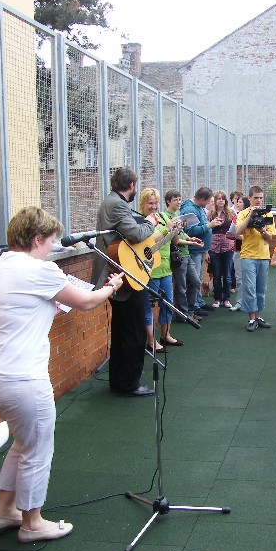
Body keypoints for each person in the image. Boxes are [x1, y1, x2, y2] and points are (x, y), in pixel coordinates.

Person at [0, 206, 124, 544]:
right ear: (36, 239)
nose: (52, 249)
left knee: (23, 441)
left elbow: (22, 308)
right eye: (51, 242)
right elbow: (86, 302)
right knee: (38, 446)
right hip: (21, 378)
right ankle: (33, 523)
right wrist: (112, 286)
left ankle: (4, 512)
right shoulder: (39, 270)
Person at [92, 168, 158, 397]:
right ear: (131, 185)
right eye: (135, 186)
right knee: (133, 333)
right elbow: (136, 234)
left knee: (122, 331)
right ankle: (129, 383)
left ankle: (119, 381)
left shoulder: (110, 202)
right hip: (122, 276)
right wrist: (150, 222)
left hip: (120, 273)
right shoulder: (118, 205)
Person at [137, 188, 183, 351]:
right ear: (143, 203)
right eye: (150, 203)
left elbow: (173, 241)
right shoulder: (141, 221)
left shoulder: (163, 217)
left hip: (165, 269)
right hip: (149, 271)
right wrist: (166, 229)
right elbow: (148, 243)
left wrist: (176, 230)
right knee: (148, 306)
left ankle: (166, 335)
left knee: (168, 304)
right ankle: (151, 341)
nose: (154, 206)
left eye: (156, 202)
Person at [235, 186, 276, 332]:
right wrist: (250, 215)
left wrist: (262, 230)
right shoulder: (243, 213)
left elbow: (271, 237)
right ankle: (251, 318)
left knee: (261, 288)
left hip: (263, 256)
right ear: (250, 198)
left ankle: (257, 316)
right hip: (248, 256)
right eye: (256, 198)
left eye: (260, 198)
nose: (258, 201)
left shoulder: (268, 214)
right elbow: (238, 231)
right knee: (250, 287)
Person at [166, 190, 205, 323]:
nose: (179, 202)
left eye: (179, 199)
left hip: (186, 254)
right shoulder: (167, 217)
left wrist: (191, 238)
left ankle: (190, 310)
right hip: (178, 256)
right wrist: (191, 242)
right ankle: (182, 314)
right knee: (181, 286)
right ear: (168, 202)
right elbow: (175, 240)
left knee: (195, 282)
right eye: (175, 199)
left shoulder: (178, 215)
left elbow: (182, 234)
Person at [180, 187, 219, 316]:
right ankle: (194, 306)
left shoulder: (200, 208)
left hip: (201, 249)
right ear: (202, 199)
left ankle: (199, 301)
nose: (208, 204)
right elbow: (189, 231)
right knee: (194, 279)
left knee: (199, 276)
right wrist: (209, 226)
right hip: (194, 249)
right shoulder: (189, 210)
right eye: (208, 201)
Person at [207, 190, 235, 309]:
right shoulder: (210, 214)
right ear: (215, 200)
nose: (220, 200)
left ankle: (227, 298)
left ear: (225, 201)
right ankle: (217, 298)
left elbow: (235, 227)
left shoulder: (230, 212)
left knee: (228, 274)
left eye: (222, 198)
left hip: (227, 245)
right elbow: (207, 229)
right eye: (218, 198)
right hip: (213, 246)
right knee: (217, 274)